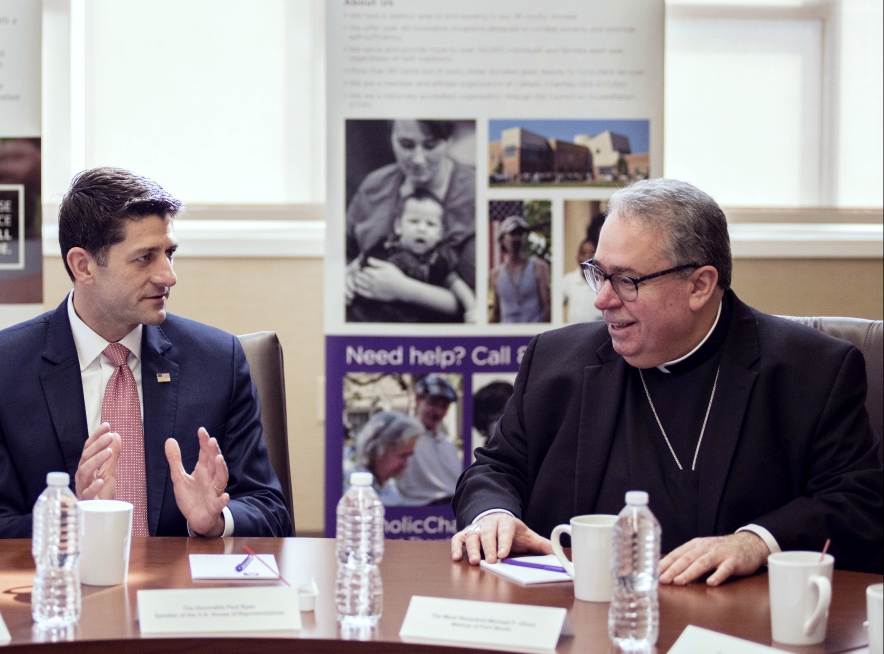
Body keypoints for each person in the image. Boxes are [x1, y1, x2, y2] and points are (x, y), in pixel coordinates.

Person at [451, 178, 882, 584]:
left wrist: (755, 543)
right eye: (598, 274)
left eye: (626, 281)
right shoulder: (554, 360)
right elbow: (496, 467)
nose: (601, 300)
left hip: (731, 625)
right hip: (576, 617)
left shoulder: (812, 370)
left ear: (699, 285)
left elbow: (856, 504)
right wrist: (492, 515)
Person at [0, 167, 292, 539]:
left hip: (178, 590)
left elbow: (270, 510)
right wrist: (68, 519)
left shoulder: (219, 361)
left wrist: (217, 520)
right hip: (64, 587)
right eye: (145, 257)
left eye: (169, 253)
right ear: (83, 266)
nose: (168, 276)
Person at [346, 120, 475, 322]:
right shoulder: (374, 186)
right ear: (392, 139)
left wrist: (403, 289)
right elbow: (345, 253)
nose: (418, 159)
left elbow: (477, 302)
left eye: (430, 145)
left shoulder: (475, 195)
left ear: (449, 141)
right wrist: (345, 278)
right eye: (406, 145)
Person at [348, 190, 476, 322]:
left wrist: (472, 309)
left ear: (440, 234)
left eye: (430, 224)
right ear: (398, 226)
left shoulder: (439, 259)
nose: (421, 228)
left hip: (417, 321)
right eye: (414, 221)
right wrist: (348, 280)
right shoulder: (384, 247)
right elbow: (358, 265)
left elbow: (457, 285)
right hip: (373, 316)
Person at [395, 375, 463, 505]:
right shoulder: (401, 436)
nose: (438, 412)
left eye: (444, 406)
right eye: (433, 403)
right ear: (417, 399)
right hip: (419, 511)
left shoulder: (447, 444)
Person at [348, 411, 424, 506]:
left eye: (408, 456)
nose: (405, 465)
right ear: (378, 449)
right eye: (402, 455)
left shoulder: (389, 485)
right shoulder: (350, 486)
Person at [489, 216, 550, 323]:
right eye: (513, 234)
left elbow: (548, 306)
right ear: (502, 239)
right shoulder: (496, 274)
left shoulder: (539, 267)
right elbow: (496, 312)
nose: (517, 238)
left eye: (520, 234)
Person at [562, 239, 604, 324]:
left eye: (592, 254)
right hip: (574, 334)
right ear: (578, 258)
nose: (587, 257)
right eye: (583, 253)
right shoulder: (568, 280)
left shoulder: (604, 282)